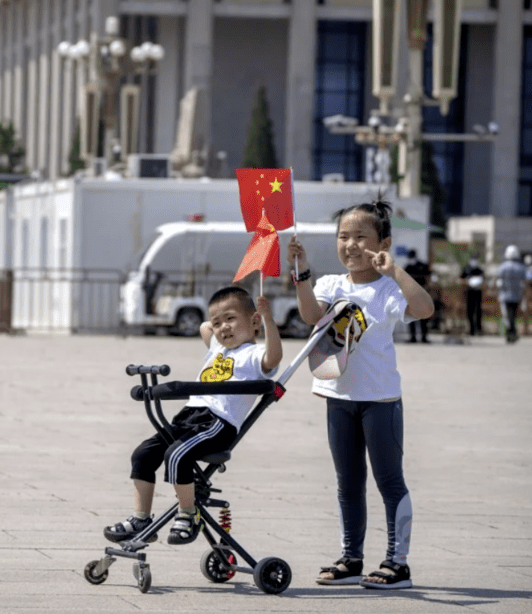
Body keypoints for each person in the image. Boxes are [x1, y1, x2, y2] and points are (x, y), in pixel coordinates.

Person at [288, 199, 433, 590]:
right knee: (347, 483)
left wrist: (396, 271)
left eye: (360, 237)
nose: (350, 245)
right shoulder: (331, 284)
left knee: (389, 481)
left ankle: (397, 563)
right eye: (343, 237)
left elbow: (424, 309)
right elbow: (311, 316)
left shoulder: (388, 289)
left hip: (380, 401)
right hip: (338, 397)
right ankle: (351, 558)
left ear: (382, 244)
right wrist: (300, 275)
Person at [102, 287, 282, 546]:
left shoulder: (253, 355)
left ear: (253, 322)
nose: (223, 328)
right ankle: (141, 518)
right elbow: (203, 327)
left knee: (175, 455)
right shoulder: (218, 348)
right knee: (142, 454)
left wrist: (266, 319)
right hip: (189, 416)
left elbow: (274, 357)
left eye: (231, 319)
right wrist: (220, 321)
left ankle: (189, 514)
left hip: (217, 422)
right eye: (218, 323)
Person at [496, 245, 527, 344]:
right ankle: (512, 333)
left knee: (508, 315)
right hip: (517, 296)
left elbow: (497, 279)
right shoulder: (520, 268)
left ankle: (511, 333)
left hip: (505, 296)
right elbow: (526, 280)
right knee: (513, 314)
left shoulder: (502, 267)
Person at [403, 250, 431, 343]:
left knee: (423, 316)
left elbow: (428, 278)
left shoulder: (423, 266)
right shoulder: (408, 267)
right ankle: (413, 337)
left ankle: (423, 337)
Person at [460, 255, 485, 336]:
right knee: (469, 311)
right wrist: (466, 282)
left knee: (478, 311)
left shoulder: (480, 270)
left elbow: (484, 280)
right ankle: (471, 330)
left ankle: (479, 329)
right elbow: (459, 280)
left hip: (477, 292)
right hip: (469, 292)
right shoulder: (466, 270)